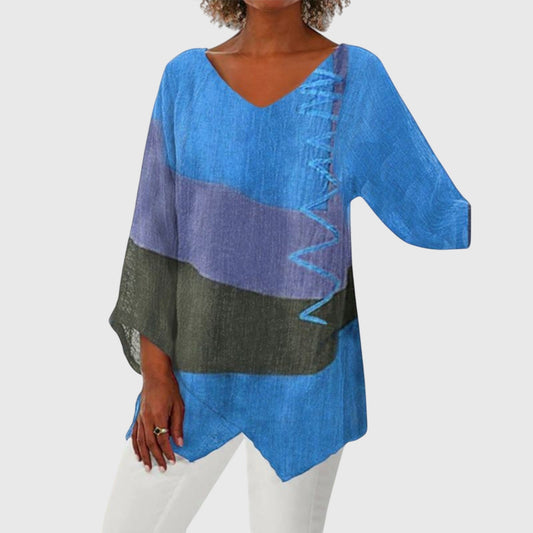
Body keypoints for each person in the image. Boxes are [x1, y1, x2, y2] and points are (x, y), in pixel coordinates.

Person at [102, 1, 471, 531]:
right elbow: (154, 233)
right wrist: (156, 376)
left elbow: (430, 206)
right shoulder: (184, 79)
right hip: (194, 376)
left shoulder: (356, 78)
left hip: (306, 384)